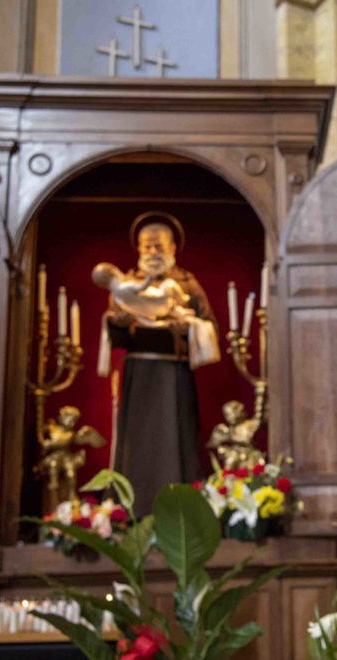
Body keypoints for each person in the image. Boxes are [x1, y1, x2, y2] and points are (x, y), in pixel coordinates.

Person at [92, 213, 220, 514]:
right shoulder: (126, 284)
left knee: (175, 438)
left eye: (158, 246)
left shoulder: (187, 283)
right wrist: (120, 323)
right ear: (137, 248)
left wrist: (187, 328)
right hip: (139, 374)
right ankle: (133, 510)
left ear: (173, 247)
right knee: (137, 444)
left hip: (173, 373)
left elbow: (210, 326)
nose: (152, 252)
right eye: (146, 246)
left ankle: (180, 511)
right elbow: (115, 334)